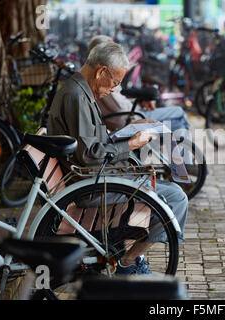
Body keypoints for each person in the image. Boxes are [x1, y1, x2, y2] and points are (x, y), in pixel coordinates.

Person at [47, 41, 188, 275]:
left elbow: (90, 145)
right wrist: (131, 143)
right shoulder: (77, 96)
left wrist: (127, 132)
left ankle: (130, 257)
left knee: (161, 186)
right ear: (102, 71)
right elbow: (90, 155)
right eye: (115, 82)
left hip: (93, 178)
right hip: (90, 187)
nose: (114, 89)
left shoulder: (80, 91)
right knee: (175, 197)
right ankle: (129, 261)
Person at [88, 35, 191, 140]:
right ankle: (181, 154)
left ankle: (175, 150)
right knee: (179, 114)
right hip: (130, 118)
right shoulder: (104, 76)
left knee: (175, 122)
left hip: (125, 116)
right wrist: (138, 103)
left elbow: (116, 103)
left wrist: (139, 101)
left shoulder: (94, 75)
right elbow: (119, 107)